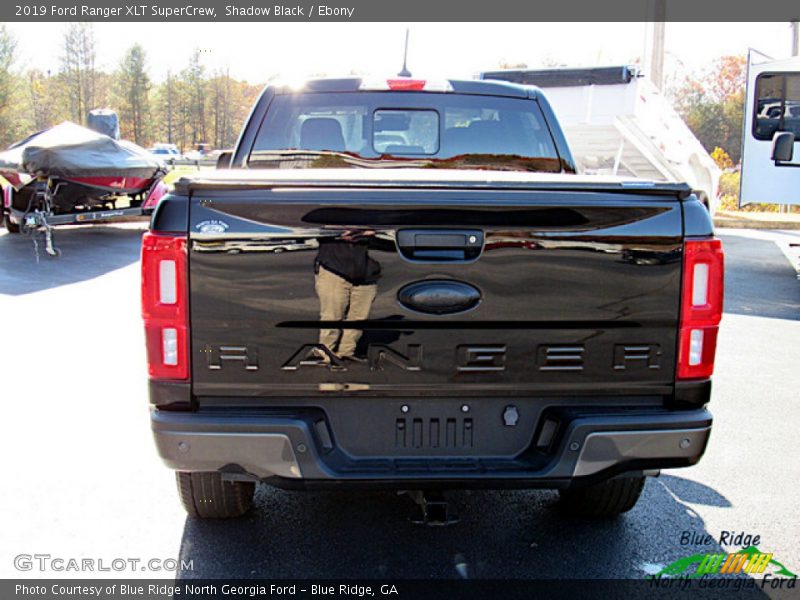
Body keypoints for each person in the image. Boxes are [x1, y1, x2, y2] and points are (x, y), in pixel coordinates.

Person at [314, 230, 380, 361]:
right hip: (334, 269)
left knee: (359, 318)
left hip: (367, 273)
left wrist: (373, 234)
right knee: (332, 315)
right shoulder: (332, 215)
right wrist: (349, 233)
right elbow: (319, 231)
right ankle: (326, 352)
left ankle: (347, 352)